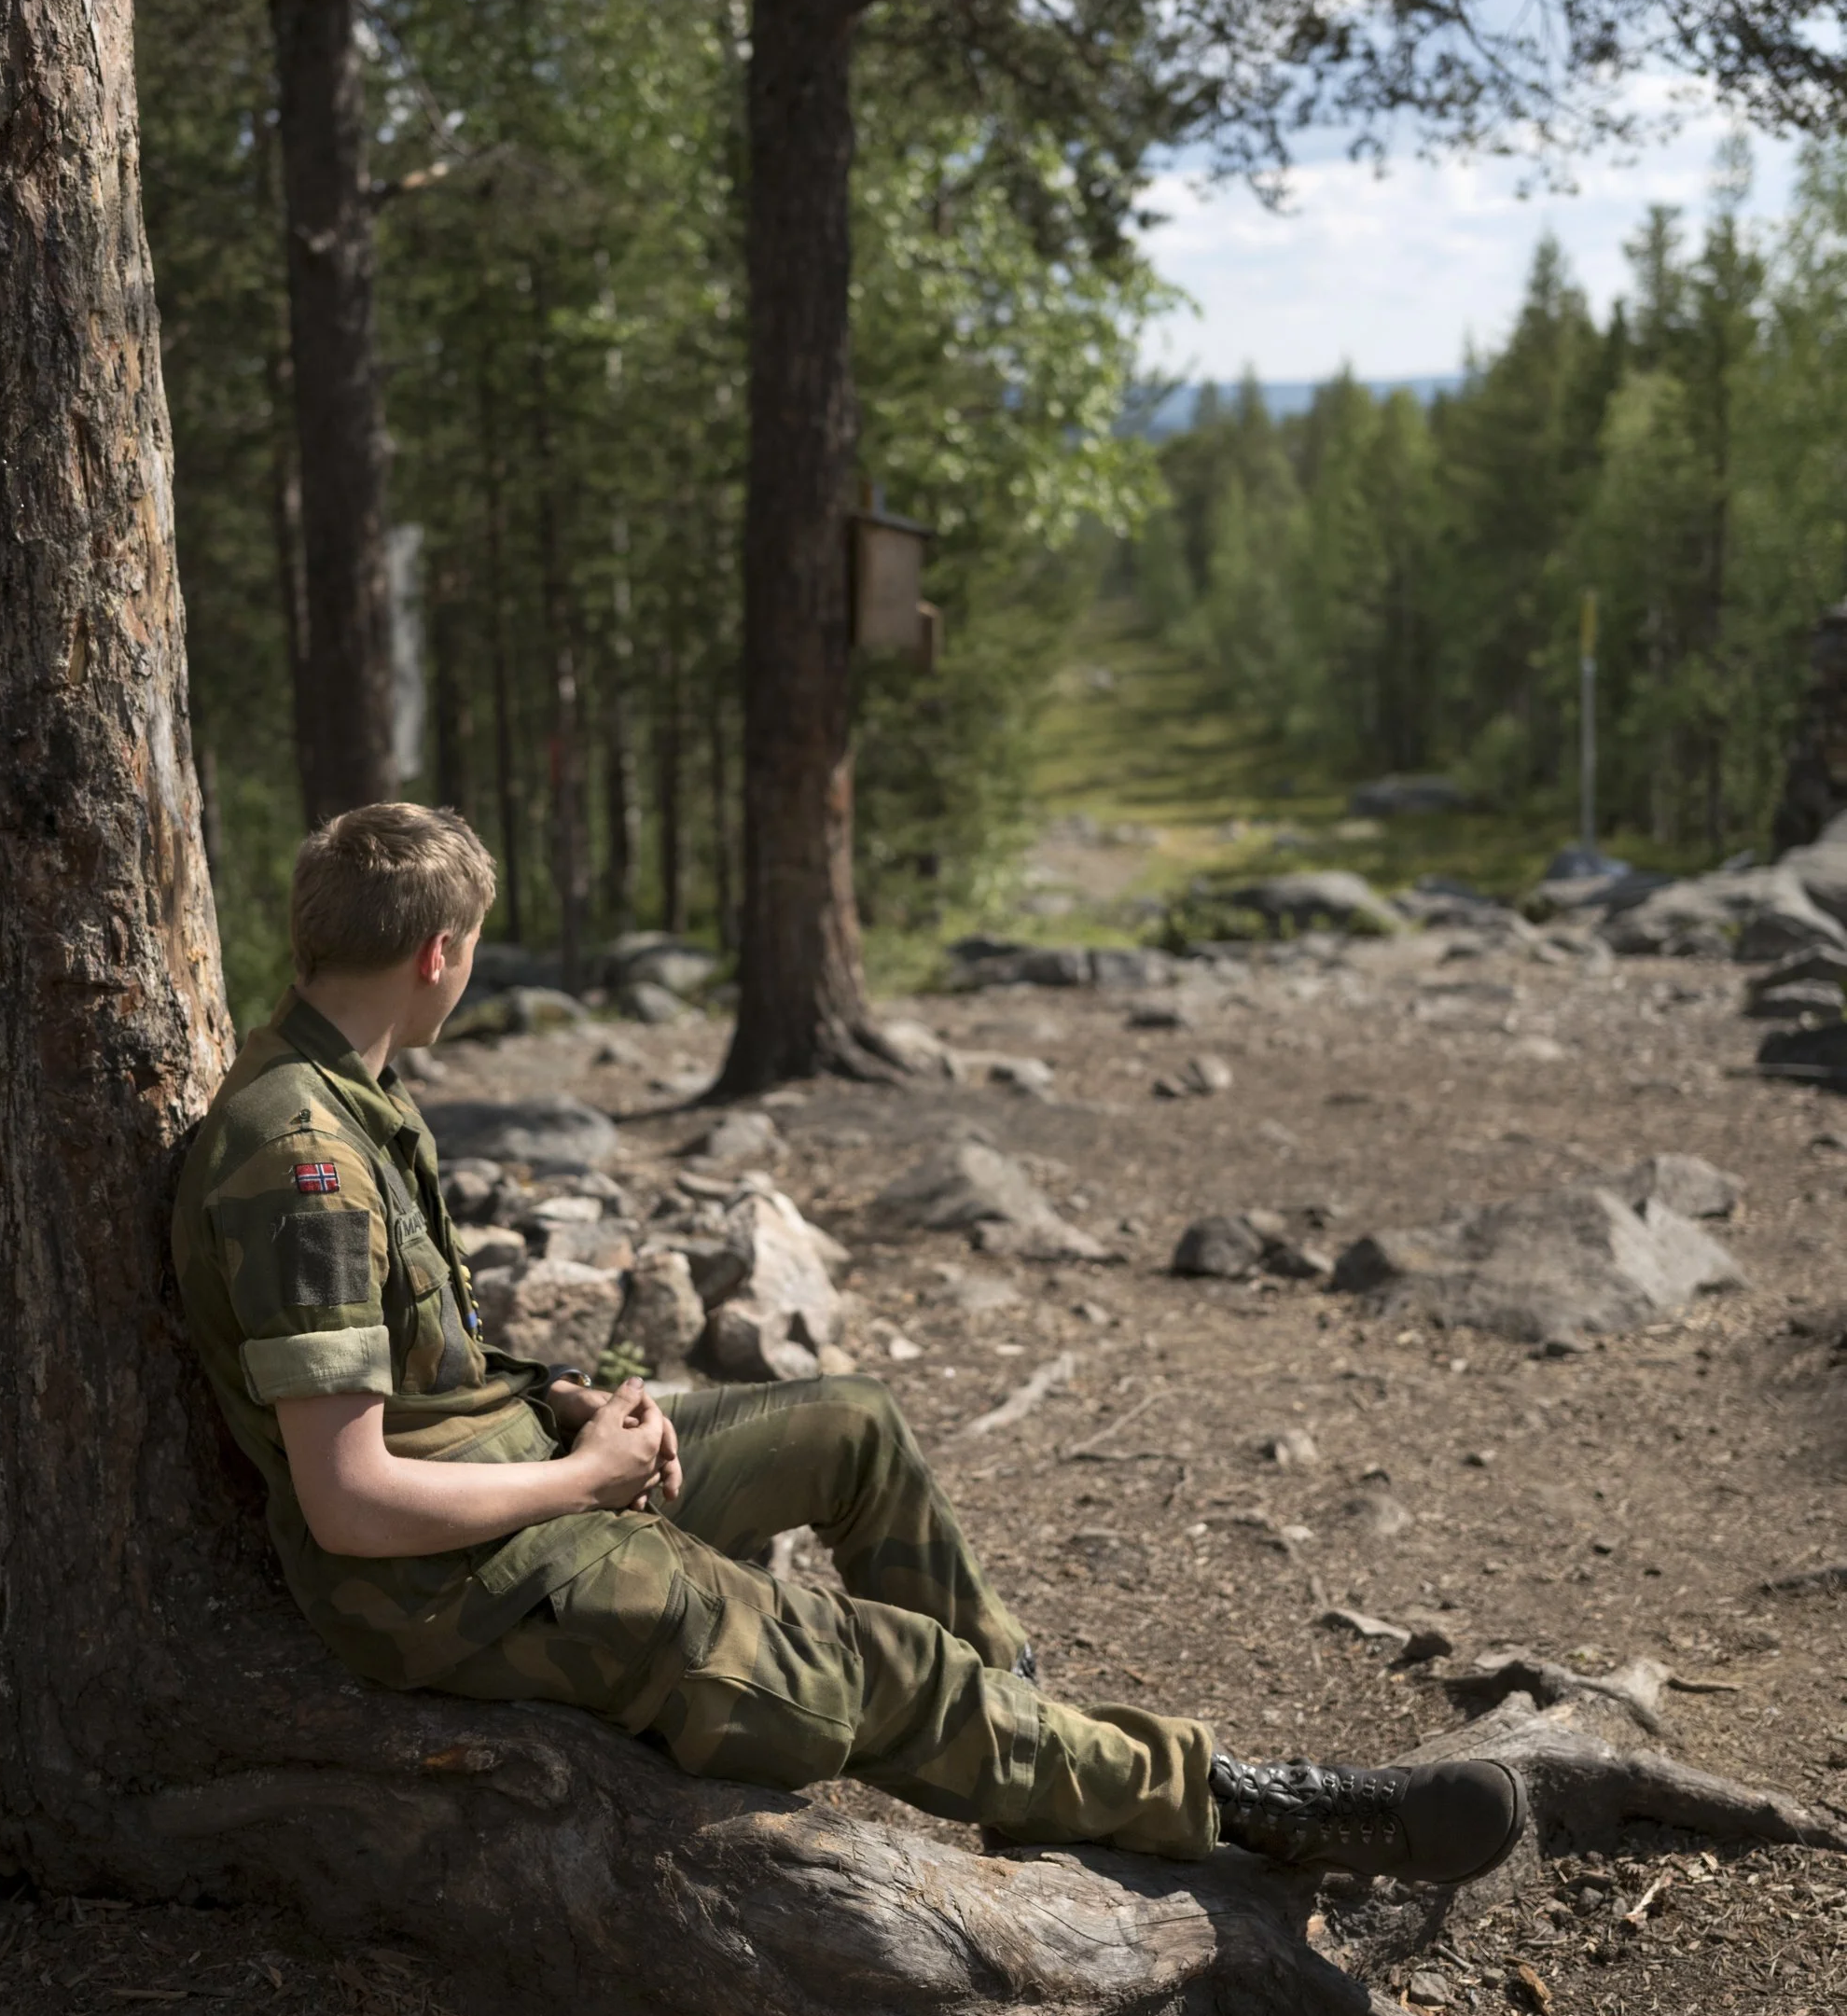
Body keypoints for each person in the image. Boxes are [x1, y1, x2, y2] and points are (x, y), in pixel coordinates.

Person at [174, 802, 1523, 1885]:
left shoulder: (343, 1092)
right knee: (884, 1667)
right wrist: (586, 1478)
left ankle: (1037, 1768)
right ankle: (1232, 1800)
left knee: (848, 1425)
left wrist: (574, 1410)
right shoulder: (303, 1159)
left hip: (507, 1478)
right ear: (441, 955)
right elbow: (351, 1502)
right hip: (447, 1588)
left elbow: (414, 1384)